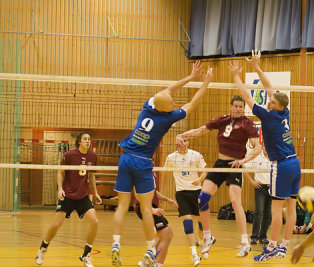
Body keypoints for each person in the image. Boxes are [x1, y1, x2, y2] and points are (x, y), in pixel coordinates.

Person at [111, 61, 213, 267]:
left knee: (121, 206)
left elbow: (168, 89)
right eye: (171, 103)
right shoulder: (168, 118)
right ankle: (150, 250)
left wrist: (190, 77)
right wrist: (205, 83)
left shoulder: (148, 106)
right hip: (141, 161)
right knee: (147, 207)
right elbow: (192, 105)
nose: (174, 103)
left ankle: (115, 244)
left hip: (125, 156)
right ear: (165, 108)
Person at [229, 50, 301, 261]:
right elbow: (270, 88)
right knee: (291, 206)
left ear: (277, 106)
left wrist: (235, 76)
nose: (268, 102)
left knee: (276, 208)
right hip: (295, 163)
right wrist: (257, 67)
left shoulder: (268, 116)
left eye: (271, 102)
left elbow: (247, 97)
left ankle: (271, 247)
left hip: (281, 166)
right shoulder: (284, 112)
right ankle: (284, 246)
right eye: (270, 101)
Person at [177, 95, 262, 258]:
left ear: (244, 108)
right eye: (236, 106)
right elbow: (201, 130)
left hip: (235, 165)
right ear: (231, 107)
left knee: (236, 202)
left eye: (241, 107)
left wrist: (244, 160)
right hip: (220, 164)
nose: (238, 109)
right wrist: (182, 135)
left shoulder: (248, 123)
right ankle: (207, 236)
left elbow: (257, 147)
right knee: (202, 199)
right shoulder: (222, 120)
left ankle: (245, 242)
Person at [35, 131, 101, 267]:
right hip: (68, 195)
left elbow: (91, 176)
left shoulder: (93, 156)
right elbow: (60, 172)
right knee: (55, 225)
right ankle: (42, 249)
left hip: (82, 196)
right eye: (85, 139)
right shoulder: (69, 155)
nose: (88, 141)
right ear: (79, 142)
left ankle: (86, 255)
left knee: (94, 221)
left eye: (89, 139)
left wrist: (95, 193)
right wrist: (60, 188)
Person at [160, 138, 207, 266]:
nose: (183, 143)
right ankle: (194, 253)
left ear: (188, 143)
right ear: (176, 142)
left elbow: (205, 171)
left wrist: (200, 180)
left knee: (201, 221)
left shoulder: (196, 155)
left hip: (197, 191)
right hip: (181, 193)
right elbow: (164, 174)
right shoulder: (171, 157)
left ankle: (200, 237)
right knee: (187, 220)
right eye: (181, 140)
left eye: (185, 141)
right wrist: (161, 193)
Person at [132, 173, 178, 267]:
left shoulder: (151, 170)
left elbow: (154, 192)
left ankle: (149, 258)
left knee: (169, 233)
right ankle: (158, 264)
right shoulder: (140, 168)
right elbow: (138, 194)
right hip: (145, 207)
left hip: (152, 206)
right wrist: (152, 210)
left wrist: (168, 199)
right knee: (165, 236)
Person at [243, 146, 272, 245]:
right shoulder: (257, 157)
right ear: (263, 147)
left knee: (268, 214)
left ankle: (263, 237)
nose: (267, 148)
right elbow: (244, 167)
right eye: (265, 145)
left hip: (272, 189)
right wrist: (252, 181)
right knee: (259, 211)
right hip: (260, 188)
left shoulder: (275, 157)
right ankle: (254, 237)